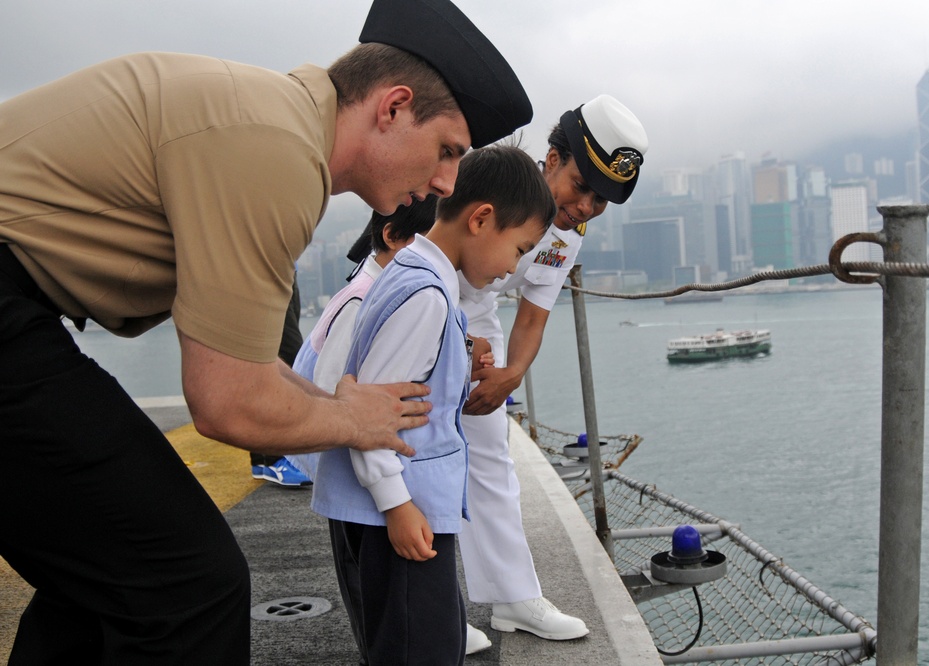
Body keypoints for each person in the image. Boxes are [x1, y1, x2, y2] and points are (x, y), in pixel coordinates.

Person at [0, 0, 532, 661]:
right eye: (447, 150)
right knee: (190, 586)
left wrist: (339, 407)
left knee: (106, 577)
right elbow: (229, 402)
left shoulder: (267, 122)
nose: (447, 180)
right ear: (392, 108)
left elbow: (247, 361)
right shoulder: (276, 153)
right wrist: (353, 421)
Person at [314, 146, 556, 665]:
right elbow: (372, 416)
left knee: (432, 641)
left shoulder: (414, 273)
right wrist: (396, 505)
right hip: (401, 516)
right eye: (519, 249)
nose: (513, 268)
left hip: (408, 511)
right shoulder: (427, 294)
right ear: (482, 219)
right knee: (419, 650)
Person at [458, 95, 648, 640]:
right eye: (581, 186)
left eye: (602, 199)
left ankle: (512, 597)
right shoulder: (489, 183)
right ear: (551, 160)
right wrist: (456, 344)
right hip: (427, 297)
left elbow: (534, 316)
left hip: (480, 313)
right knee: (422, 452)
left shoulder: (566, 233)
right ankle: (426, 607)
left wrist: (511, 375)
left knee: (490, 456)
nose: (586, 205)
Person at [250, 274, 314, 487]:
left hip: (283, 267)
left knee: (268, 360)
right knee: (291, 362)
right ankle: (281, 459)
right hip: (266, 268)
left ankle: (263, 458)